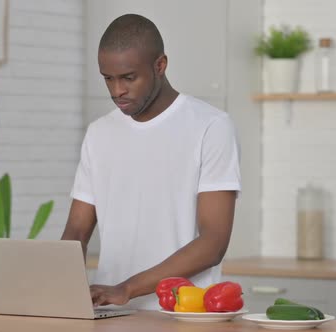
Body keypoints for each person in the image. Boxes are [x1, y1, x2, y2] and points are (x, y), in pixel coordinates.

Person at [61, 13, 241, 310]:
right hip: (111, 313)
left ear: (160, 65)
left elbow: (213, 242)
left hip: (183, 314)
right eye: (108, 78)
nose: (117, 90)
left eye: (129, 77)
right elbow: (77, 229)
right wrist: (56, 285)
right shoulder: (99, 133)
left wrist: (128, 288)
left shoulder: (211, 126)